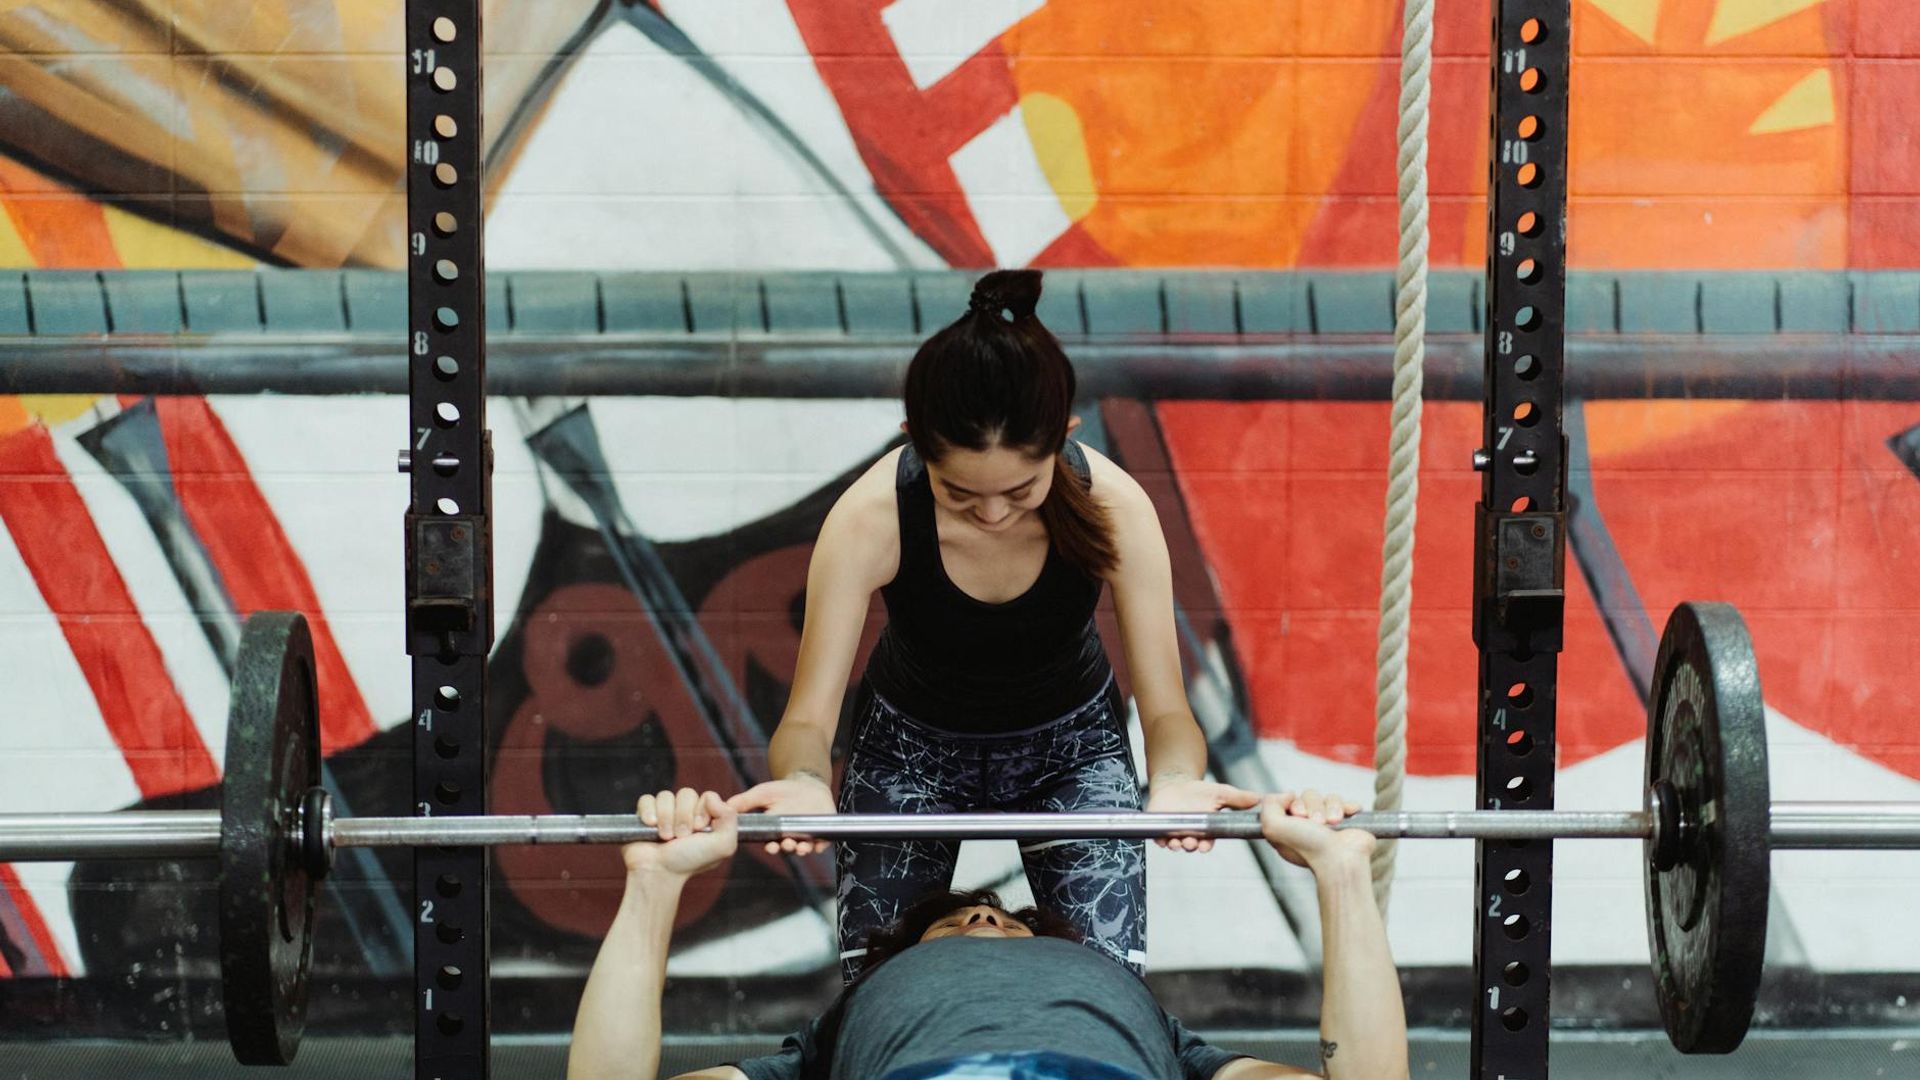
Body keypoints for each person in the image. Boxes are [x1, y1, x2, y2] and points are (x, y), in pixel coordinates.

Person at [729, 269, 1258, 981]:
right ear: (915, 441)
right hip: (909, 751)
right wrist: (800, 777)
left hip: (1070, 750)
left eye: (1020, 490)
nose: (994, 515)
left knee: (1104, 990)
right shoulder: (871, 517)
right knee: (880, 989)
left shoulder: (1116, 507)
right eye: (960, 493)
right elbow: (807, 721)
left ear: (1061, 439)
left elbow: (1166, 710)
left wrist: (1175, 778)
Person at [567, 787, 1409, 1080]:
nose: (983, 916)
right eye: (956, 926)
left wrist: (1341, 872)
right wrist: (655, 883)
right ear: (890, 979)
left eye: (1009, 921)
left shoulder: (1163, 1033)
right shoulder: (832, 1041)